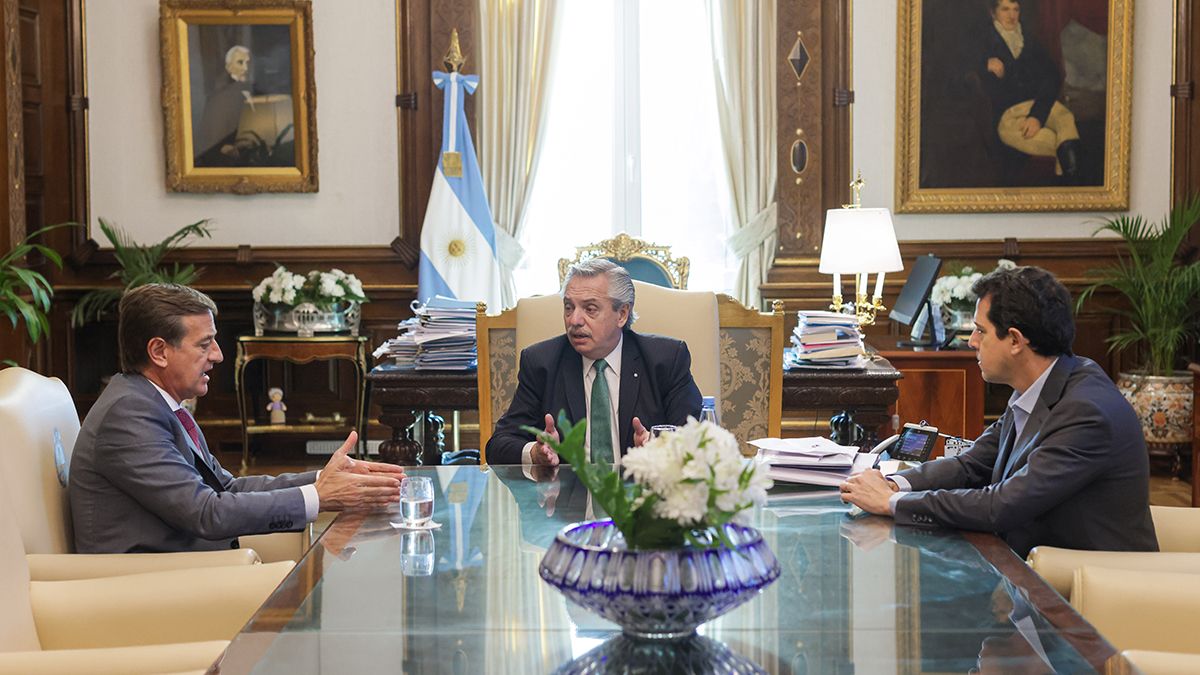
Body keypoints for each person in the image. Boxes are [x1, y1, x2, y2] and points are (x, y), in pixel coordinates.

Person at [839, 266, 1158, 557]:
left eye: (981, 331)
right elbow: (971, 465)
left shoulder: (1087, 412)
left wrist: (891, 503)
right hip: (1030, 566)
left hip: (1090, 589)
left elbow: (1001, 505)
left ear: (1016, 340)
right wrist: (896, 483)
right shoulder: (1041, 383)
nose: (971, 342)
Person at [70, 283, 405, 554]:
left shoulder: (153, 402)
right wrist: (320, 495)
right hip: (146, 585)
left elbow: (225, 487)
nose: (218, 355)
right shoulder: (128, 415)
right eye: (204, 345)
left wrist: (325, 478)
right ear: (159, 351)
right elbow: (206, 513)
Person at [485, 259, 702, 465]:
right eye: (569, 307)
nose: (574, 320)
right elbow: (498, 445)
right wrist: (534, 452)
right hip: (568, 501)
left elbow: (699, 441)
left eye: (590, 309)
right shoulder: (542, 363)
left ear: (622, 314)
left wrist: (661, 449)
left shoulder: (666, 360)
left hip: (644, 498)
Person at [980, 0, 1083, 182]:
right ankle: (1073, 178)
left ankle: (1074, 178)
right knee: (1057, 141)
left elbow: (1053, 76)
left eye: (1016, 9)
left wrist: (1037, 115)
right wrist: (982, 64)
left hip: (1036, 105)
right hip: (1008, 115)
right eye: (1005, 9)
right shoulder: (983, 39)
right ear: (992, 13)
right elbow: (953, 68)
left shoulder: (1029, 39)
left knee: (1065, 117)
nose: (1012, 15)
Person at [193, 45, 253, 167]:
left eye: (248, 62)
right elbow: (211, 145)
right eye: (240, 62)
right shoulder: (219, 99)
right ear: (229, 68)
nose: (246, 68)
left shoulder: (255, 93)